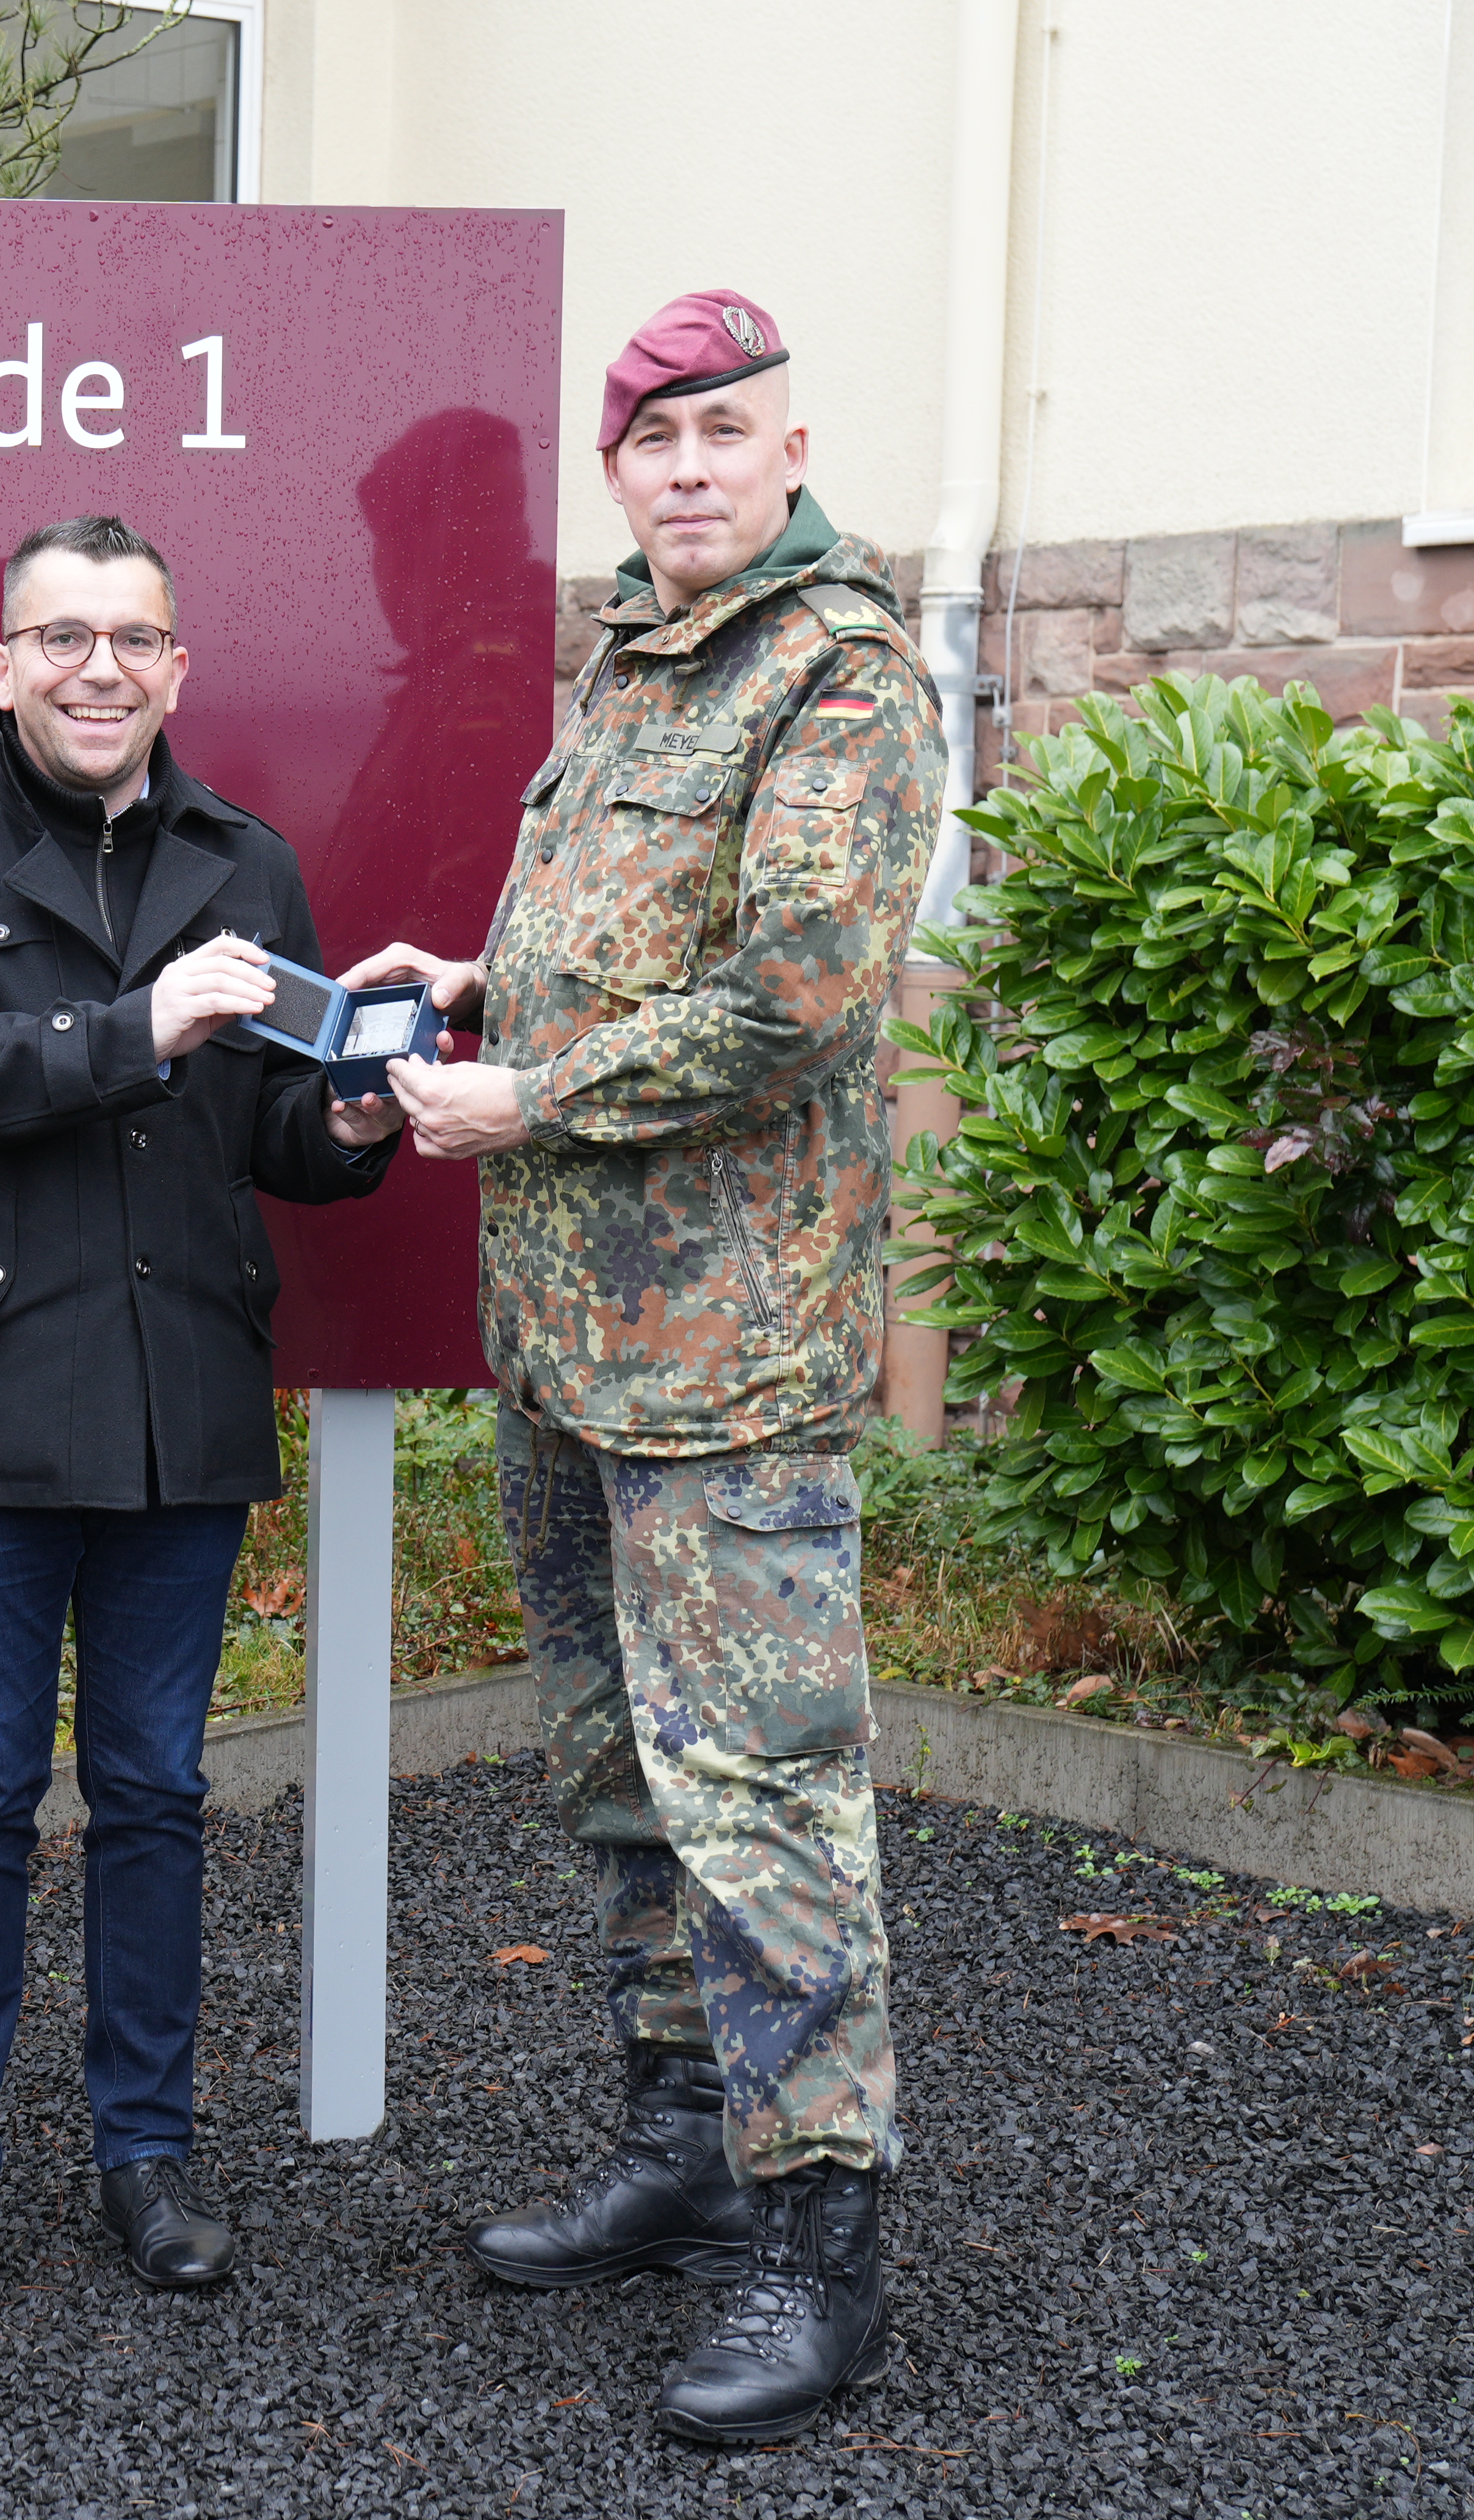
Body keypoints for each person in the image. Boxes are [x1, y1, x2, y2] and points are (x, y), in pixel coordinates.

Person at [341, 291, 942, 2446]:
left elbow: (792, 993)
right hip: (573, 1347)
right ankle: (687, 2150)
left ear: (792, 450)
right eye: (651, 441)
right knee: (617, 1773)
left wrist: (536, 1092)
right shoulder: (635, 659)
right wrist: (480, 974)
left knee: (764, 1796)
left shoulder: (844, 673)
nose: (685, 470)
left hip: (730, 1364)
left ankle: (820, 2246)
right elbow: (643, 931)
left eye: (723, 435)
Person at [0, 515, 400, 2306]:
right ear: (0, 669)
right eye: (60, 639)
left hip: (181, 1409)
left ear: (177, 668)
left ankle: (149, 2157)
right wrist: (133, 1026)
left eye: (133, 640)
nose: (98, 670)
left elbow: (281, 1138)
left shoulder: (250, 862)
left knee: (155, 1796)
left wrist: (359, 1123)